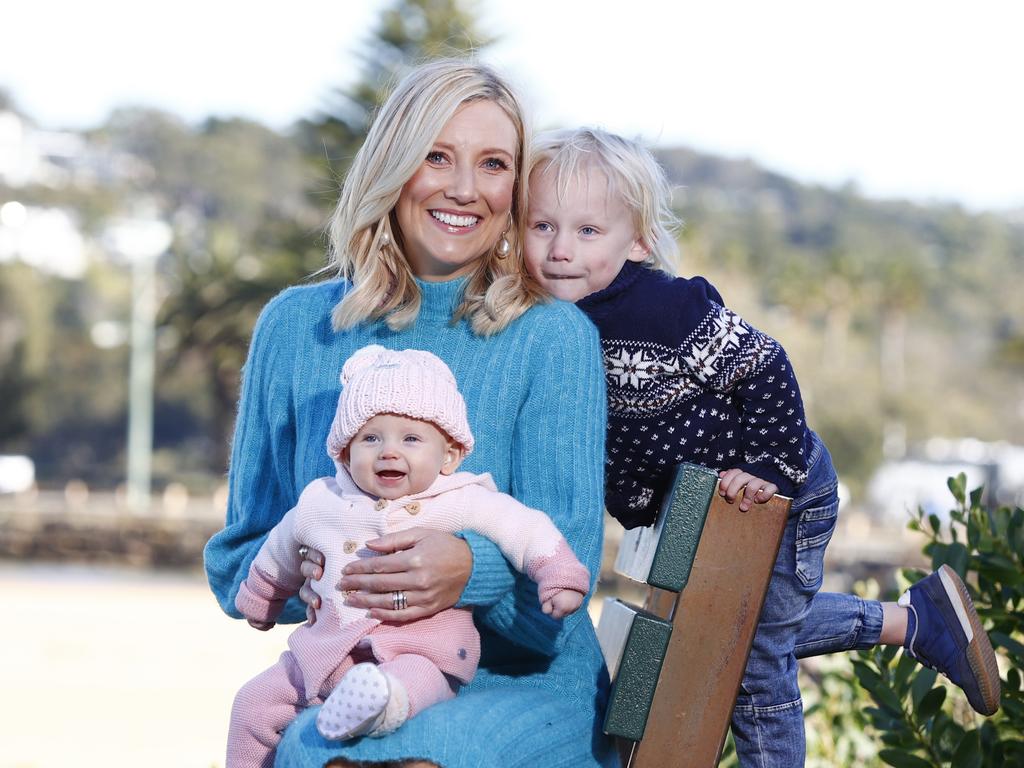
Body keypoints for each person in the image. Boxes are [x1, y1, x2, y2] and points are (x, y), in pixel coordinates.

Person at [522, 126, 1002, 767]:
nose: (560, 250)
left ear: (635, 240)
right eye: (542, 227)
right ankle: (915, 622)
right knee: (747, 631)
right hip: (712, 516)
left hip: (781, 493)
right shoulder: (554, 326)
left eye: (587, 232)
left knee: (750, 661)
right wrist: (639, 500)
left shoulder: (665, 309)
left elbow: (763, 364)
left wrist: (766, 465)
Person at [204, 60, 616, 768]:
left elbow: (565, 582)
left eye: (493, 165)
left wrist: (467, 570)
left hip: (522, 686)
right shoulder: (295, 330)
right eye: (436, 156)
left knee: (369, 755)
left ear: (515, 190)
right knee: (315, 740)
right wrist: (323, 568)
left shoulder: (552, 338)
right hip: (346, 672)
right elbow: (238, 556)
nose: (464, 189)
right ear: (394, 166)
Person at [228, 345, 590, 767]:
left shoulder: (459, 500)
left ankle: (378, 707)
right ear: (345, 451)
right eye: (371, 438)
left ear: (449, 455)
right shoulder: (320, 501)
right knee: (252, 703)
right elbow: (278, 552)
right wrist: (261, 600)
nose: (389, 451)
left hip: (418, 651)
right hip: (320, 654)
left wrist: (559, 574)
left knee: (413, 682)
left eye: (411, 438)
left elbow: (526, 530)